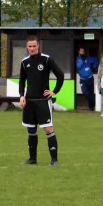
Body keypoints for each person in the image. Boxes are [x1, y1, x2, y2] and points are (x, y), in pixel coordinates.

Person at [19, 36, 64, 166]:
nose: (32, 48)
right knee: (31, 130)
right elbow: (22, 81)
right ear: (27, 47)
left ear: (38, 46)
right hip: (29, 102)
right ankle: (32, 159)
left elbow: (60, 75)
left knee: (48, 129)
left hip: (43, 102)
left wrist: (54, 91)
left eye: (34, 46)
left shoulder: (46, 59)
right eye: (29, 46)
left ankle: (54, 160)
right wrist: (22, 95)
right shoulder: (24, 62)